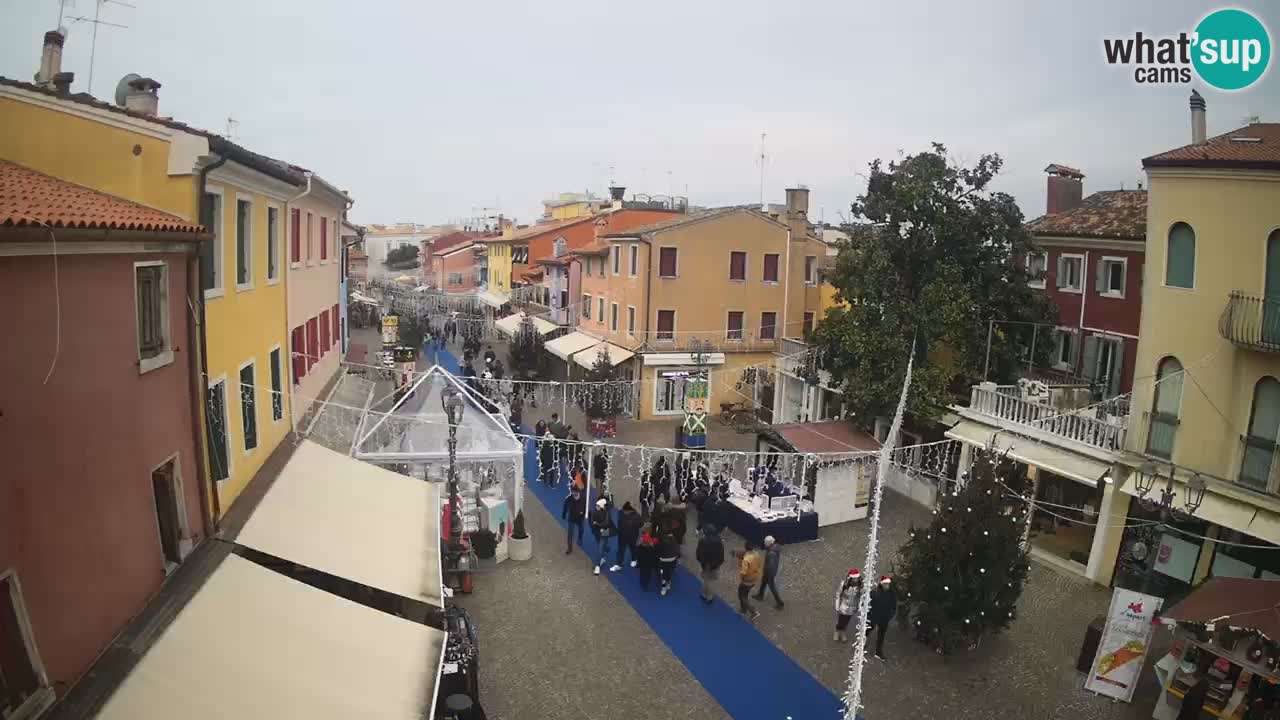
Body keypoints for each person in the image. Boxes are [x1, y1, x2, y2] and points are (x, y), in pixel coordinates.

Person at [867, 575, 898, 661]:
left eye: (888, 584)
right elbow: (867, 603)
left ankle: (878, 652)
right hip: (874, 616)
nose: (887, 586)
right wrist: (869, 613)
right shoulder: (874, 592)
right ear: (881, 584)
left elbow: (894, 605)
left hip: (885, 618)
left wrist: (890, 615)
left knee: (881, 635)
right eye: (885, 584)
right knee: (868, 629)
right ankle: (861, 644)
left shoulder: (892, 593)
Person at [695, 524, 725, 605]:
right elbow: (721, 554)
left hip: (705, 564)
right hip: (715, 565)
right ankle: (710, 597)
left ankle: (704, 594)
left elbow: (698, 553)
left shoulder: (702, 541)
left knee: (705, 580)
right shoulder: (719, 541)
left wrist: (700, 561)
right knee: (711, 581)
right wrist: (718, 563)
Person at [754, 535, 784, 609]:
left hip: (769, 572)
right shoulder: (775, 547)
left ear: (768, 543)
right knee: (763, 582)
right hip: (769, 571)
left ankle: (780, 602)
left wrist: (767, 573)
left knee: (771, 586)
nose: (764, 544)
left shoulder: (771, 553)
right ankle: (760, 595)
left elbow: (771, 565)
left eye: (765, 543)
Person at [589, 498, 618, 574]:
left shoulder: (607, 512)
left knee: (600, 548)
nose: (596, 507)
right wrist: (598, 526)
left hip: (604, 531)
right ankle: (604, 552)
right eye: (596, 505)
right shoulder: (593, 512)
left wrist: (597, 524)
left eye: (598, 506)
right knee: (601, 545)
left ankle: (597, 566)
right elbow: (592, 523)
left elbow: (606, 523)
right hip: (597, 532)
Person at [834, 569, 863, 642]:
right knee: (841, 620)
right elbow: (838, 594)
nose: (856, 579)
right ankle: (837, 631)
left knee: (847, 620)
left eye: (857, 578)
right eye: (854, 578)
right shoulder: (844, 584)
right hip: (843, 606)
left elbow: (862, 596)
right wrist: (837, 605)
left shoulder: (860, 585)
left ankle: (843, 632)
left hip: (853, 607)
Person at [737, 542, 763, 620]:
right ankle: (743, 609)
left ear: (745, 548)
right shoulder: (757, 554)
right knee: (745, 594)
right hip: (754, 578)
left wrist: (741, 577)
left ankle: (753, 612)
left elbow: (743, 572)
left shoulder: (746, 559)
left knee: (742, 596)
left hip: (746, 581)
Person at [615, 502, 643, 569]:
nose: (624, 512)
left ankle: (634, 559)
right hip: (622, 536)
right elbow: (619, 522)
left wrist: (633, 525)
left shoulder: (636, 516)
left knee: (633, 549)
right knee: (621, 550)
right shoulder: (621, 513)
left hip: (632, 536)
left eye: (626, 511)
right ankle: (619, 564)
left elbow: (641, 524)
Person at [561, 486, 586, 554]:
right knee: (570, 533)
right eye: (573, 493)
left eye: (576, 494)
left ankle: (580, 538)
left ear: (578, 493)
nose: (575, 496)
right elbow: (565, 506)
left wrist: (584, 513)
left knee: (581, 529)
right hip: (572, 518)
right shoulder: (569, 499)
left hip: (580, 518)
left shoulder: (583, 498)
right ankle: (569, 548)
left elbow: (585, 507)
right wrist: (564, 514)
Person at [636, 523, 659, 590]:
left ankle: (643, 583)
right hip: (648, 559)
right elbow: (653, 546)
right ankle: (644, 585)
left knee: (643, 572)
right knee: (647, 573)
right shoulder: (648, 538)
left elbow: (637, 546)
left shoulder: (641, 537)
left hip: (642, 558)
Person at [657, 532, 680, 597]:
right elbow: (677, 549)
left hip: (663, 560)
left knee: (664, 574)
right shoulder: (674, 539)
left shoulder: (661, 540)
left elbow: (658, 550)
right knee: (669, 572)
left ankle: (664, 588)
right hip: (672, 559)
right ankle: (668, 582)